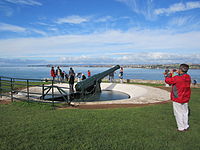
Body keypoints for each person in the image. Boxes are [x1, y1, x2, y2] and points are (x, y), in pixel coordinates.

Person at [164, 64, 191, 132]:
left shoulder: (177, 78)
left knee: (178, 113)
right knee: (185, 112)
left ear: (181, 70)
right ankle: (186, 126)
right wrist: (178, 72)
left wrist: (170, 74)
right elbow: (181, 77)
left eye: (179, 69)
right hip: (185, 97)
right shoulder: (188, 77)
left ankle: (181, 128)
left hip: (177, 98)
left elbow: (167, 81)